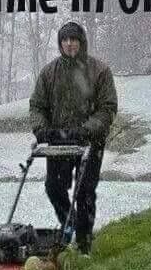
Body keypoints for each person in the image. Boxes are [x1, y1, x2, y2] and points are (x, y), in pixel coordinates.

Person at [29, 21, 118, 255]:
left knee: (85, 192)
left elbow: (107, 108)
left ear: (81, 42)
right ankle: (69, 223)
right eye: (65, 40)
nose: (69, 44)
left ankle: (84, 244)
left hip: (90, 142)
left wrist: (87, 129)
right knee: (53, 187)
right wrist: (41, 129)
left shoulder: (99, 71)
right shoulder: (49, 73)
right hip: (59, 141)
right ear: (60, 43)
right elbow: (37, 106)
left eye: (73, 40)